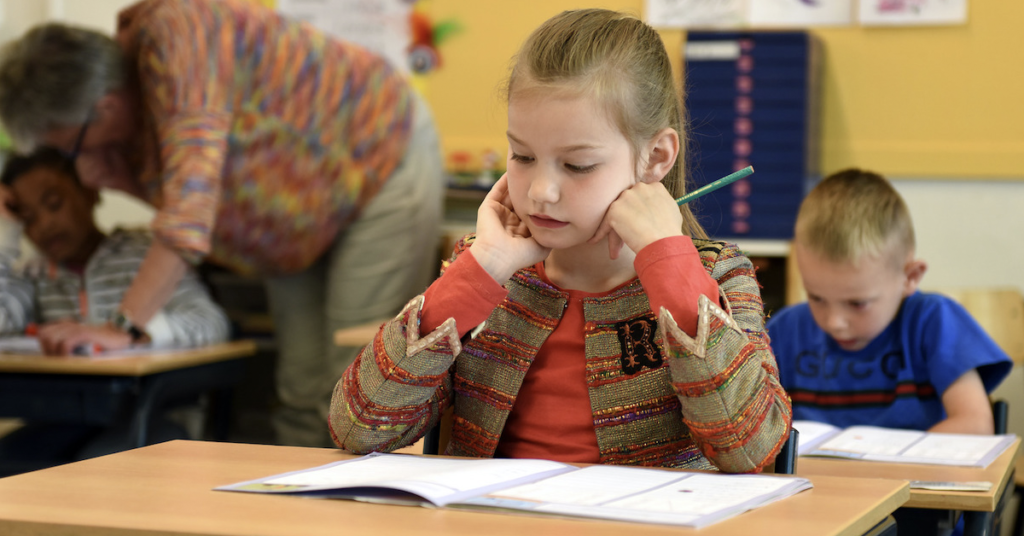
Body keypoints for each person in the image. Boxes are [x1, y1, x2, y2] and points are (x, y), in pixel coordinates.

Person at [330, 9, 791, 473]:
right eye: (523, 155)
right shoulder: (488, 273)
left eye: (577, 165)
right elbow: (359, 427)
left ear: (655, 158)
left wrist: (668, 262)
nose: (540, 191)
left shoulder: (717, 276)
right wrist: (483, 266)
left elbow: (749, 447)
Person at [0, 0, 445, 447]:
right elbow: (203, 203)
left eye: (70, 147)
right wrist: (119, 176)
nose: (74, 162)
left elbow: (189, 213)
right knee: (303, 392)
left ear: (105, 107)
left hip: (379, 160)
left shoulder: (177, 36)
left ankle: (361, 514)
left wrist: (121, 327)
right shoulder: (125, 111)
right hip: (293, 218)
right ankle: (294, 514)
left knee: (359, 388)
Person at [0, 147, 230, 472]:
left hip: (150, 415)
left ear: (90, 192)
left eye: (54, 204)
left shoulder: (146, 254)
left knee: (97, 467)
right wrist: (5, 231)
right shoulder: (34, 275)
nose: (46, 224)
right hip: (68, 416)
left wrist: (133, 334)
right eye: (28, 218)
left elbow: (211, 322)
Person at [767, 169, 1012, 434]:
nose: (834, 322)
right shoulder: (784, 331)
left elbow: (974, 426)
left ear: (910, 277)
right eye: (816, 297)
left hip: (917, 474)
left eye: (857, 303)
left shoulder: (934, 321)